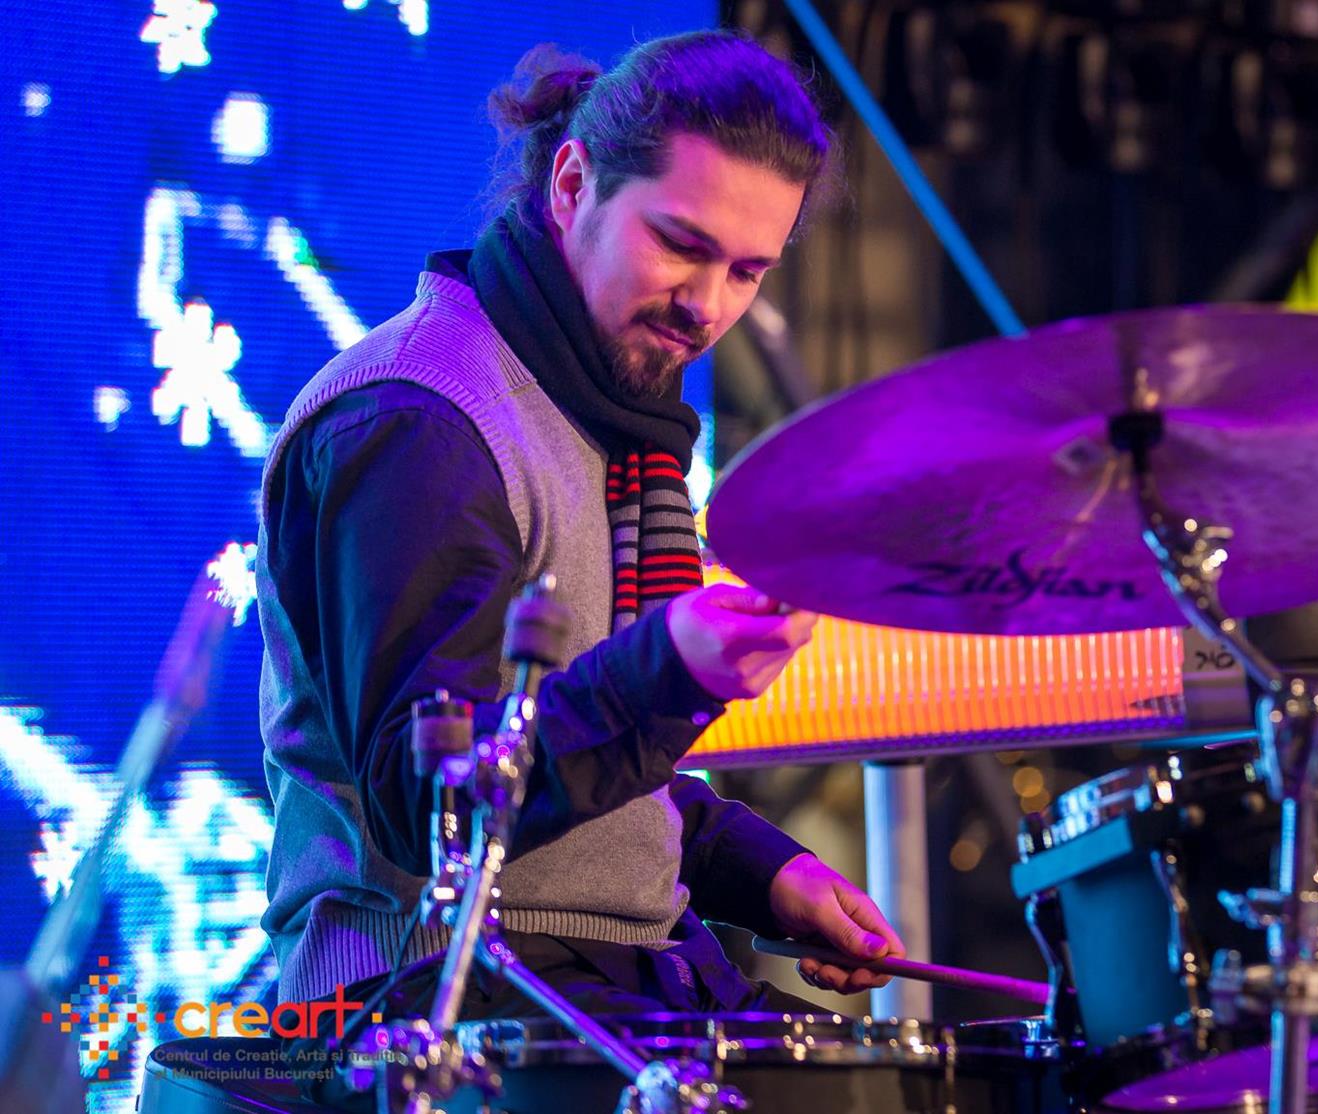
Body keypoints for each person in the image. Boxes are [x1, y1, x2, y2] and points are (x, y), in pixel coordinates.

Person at [255, 29, 903, 1030]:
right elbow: (435, 811)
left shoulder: (607, 406)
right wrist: (668, 671)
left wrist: (766, 871)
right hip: (427, 996)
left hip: (596, 973)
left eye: (747, 270)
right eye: (681, 244)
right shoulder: (421, 424)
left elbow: (591, 787)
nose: (708, 306)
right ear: (571, 184)